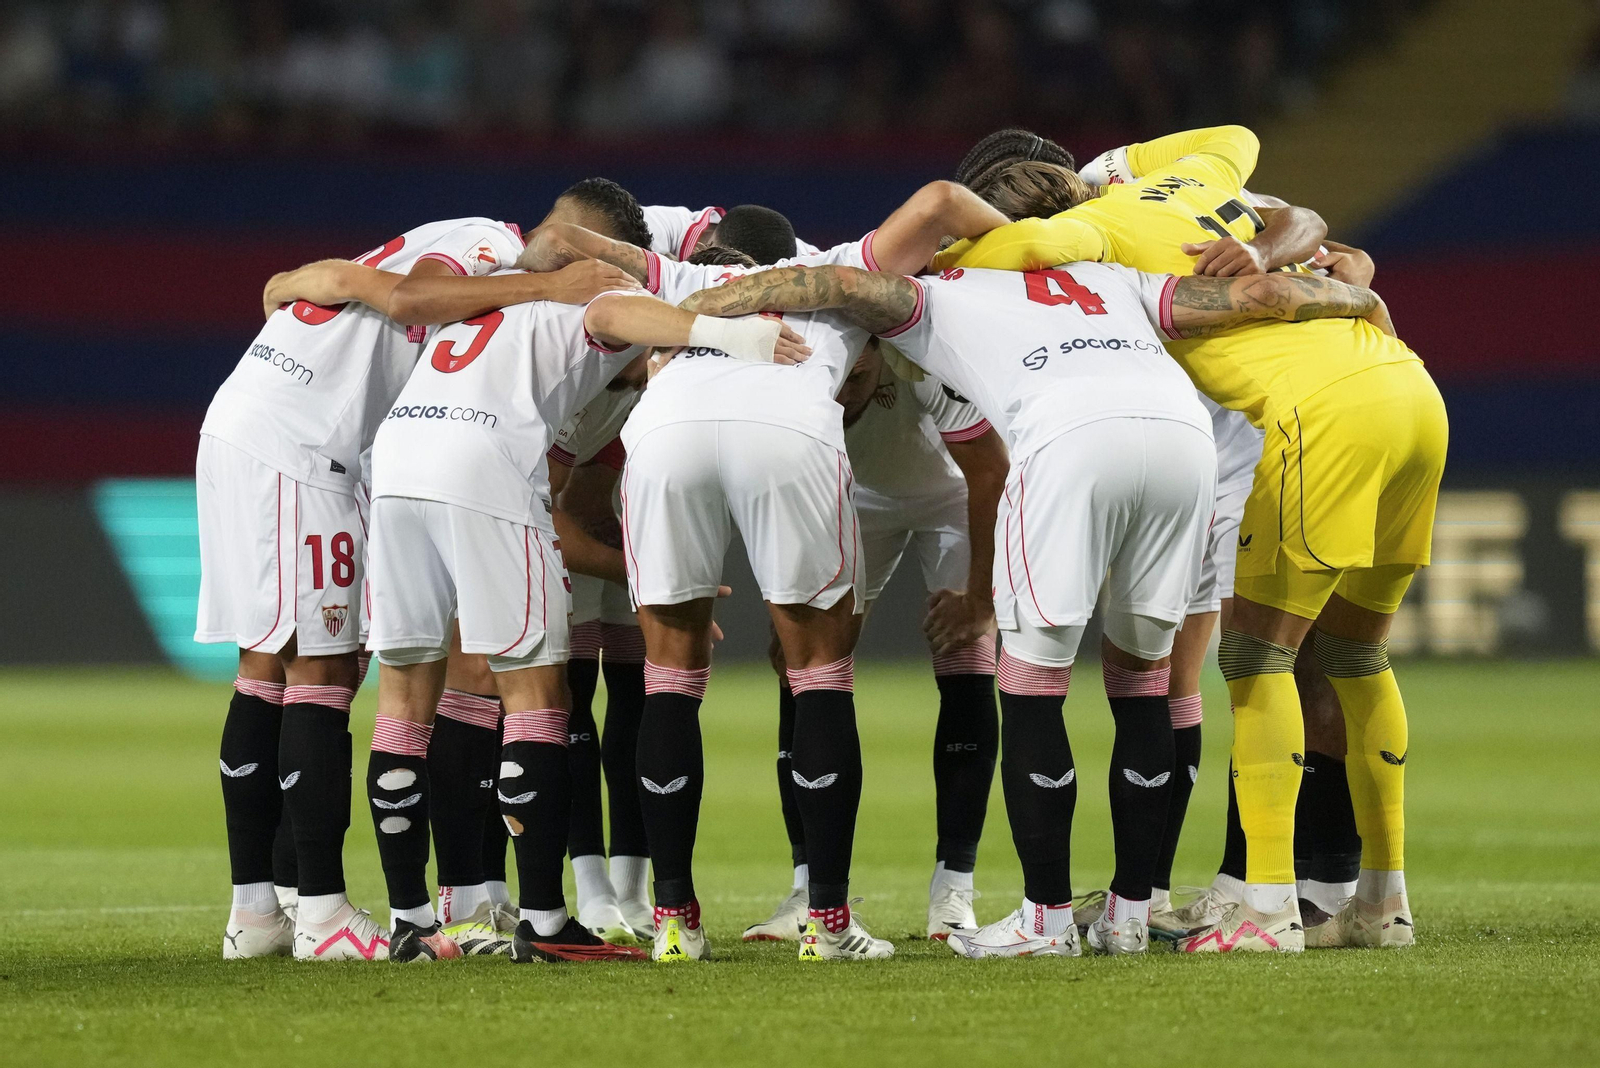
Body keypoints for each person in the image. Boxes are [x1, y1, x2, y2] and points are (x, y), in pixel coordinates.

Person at [673, 256, 1389, 957]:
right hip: (1183, 442)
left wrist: (689, 314)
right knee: (1145, 679)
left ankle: (1043, 920)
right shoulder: (1115, 272)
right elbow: (1258, 293)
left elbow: (832, 280)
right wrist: (1358, 295)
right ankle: (1131, 917)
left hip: (1068, 442)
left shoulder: (948, 290)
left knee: (1034, 681)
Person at [939, 125, 1443, 952]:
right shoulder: (1183, 190)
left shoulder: (1089, 231)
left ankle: (1261, 901)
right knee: (1345, 656)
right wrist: (1316, 272)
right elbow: (1310, 226)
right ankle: (1359, 899)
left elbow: (1304, 230)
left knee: (1240, 663)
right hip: (1386, 389)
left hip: (1263, 435)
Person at [516, 180, 1015, 962]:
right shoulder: (838, 268)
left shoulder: (679, 276)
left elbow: (550, 243)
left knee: (668, 679)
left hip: (667, 434)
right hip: (786, 429)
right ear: (791, 254)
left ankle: (674, 923)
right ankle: (828, 922)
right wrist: (1035, 251)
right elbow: (941, 202)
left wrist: (533, 277)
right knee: (818, 672)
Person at [202, 214, 544, 962]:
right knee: (321, 671)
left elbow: (289, 288)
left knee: (265, 665)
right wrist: (543, 285)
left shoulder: (422, 251)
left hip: (250, 430)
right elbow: (413, 297)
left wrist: (314, 278)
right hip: (300, 448)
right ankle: (323, 917)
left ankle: (259, 910)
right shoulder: (495, 244)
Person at [743, 339, 1009, 943]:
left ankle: (954, 891)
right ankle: (808, 888)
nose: (845, 391)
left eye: (858, 375)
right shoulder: (793, 363)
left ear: (876, 351)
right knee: (803, 665)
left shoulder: (922, 356)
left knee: (966, 660)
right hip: (854, 495)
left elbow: (990, 468)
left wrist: (981, 599)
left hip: (956, 493)